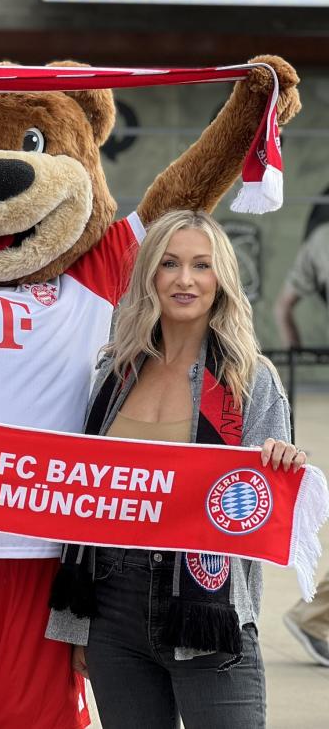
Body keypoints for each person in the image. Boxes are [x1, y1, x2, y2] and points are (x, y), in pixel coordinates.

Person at [46, 210, 306, 729]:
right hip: (112, 607)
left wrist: (282, 467)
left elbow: (265, 517)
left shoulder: (250, 380)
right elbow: (82, 497)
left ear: (221, 279)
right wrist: (77, 628)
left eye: (201, 265)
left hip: (207, 612)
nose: (185, 279)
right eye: (169, 264)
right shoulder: (114, 370)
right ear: (149, 275)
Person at [274, 223, 329, 666]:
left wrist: (294, 350)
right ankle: (313, 615)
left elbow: (284, 306)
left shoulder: (320, 239)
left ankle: (315, 614)